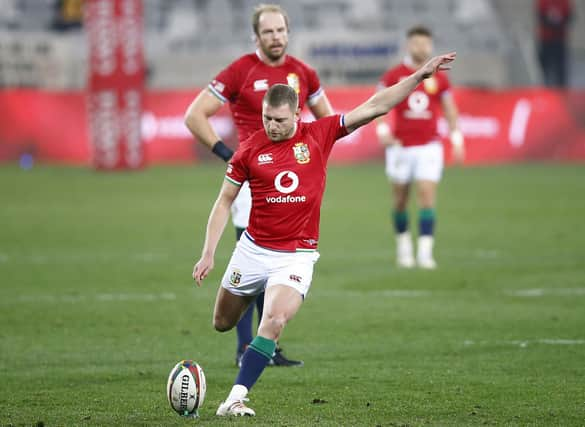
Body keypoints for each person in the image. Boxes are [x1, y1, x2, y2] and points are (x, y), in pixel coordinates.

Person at [193, 52, 456, 417]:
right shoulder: (249, 150)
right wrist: (208, 252)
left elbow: (376, 106)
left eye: (280, 120)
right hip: (253, 251)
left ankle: (235, 397)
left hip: (296, 256)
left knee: (274, 321)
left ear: (297, 115)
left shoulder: (320, 134)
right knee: (222, 323)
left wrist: (417, 76)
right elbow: (224, 201)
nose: (271, 125)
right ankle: (251, 299)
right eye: (267, 118)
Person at [184, 3, 334, 367]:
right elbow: (194, 115)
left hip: (292, 179)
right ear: (256, 36)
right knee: (252, 259)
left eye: (281, 30)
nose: (276, 37)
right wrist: (226, 153)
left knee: (277, 264)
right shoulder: (240, 71)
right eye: (268, 32)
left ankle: (263, 345)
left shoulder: (304, 73)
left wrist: (311, 161)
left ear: (288, 31)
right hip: (254, 178)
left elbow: (328, 120)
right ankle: (245, 346)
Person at [375, 26, 463, 270]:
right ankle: (404, 248)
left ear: (431, 45)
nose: (421, 48)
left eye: (425, 43)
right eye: (416, 43)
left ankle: (425, 253)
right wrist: (383, 131)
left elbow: (449, 108)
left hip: (429, 147)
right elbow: (378, 104)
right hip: (401, 147)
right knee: (401, 200)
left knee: (426, 197)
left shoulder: (440, 76)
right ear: (408, 45)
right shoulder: (394, 75)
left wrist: (456, 138)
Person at [536, 0, 572, 88]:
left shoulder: (564, 2)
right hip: (546, 39)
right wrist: (551, 22)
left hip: (559, 40)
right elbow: (540, 16)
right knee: (545, 68)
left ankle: (561, 90)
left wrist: (559, 22)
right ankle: (545, 88)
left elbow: (569, 16)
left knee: (560, 69)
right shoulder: (543, 2)